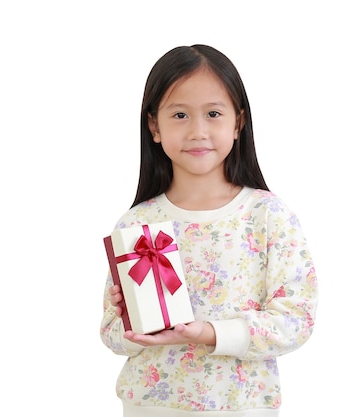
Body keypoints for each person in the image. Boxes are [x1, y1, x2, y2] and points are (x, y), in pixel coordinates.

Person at [100, 44, 318, 416]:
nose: (198, 131)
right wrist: (127, 324)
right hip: (151, 406)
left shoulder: (267, 215)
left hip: (242, 405)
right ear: (154, 126)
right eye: (180, 114)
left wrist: (210, 333)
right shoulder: (137, 224)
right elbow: (111, 335)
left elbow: (297, 319)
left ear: (238, 123)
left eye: (213, 114)